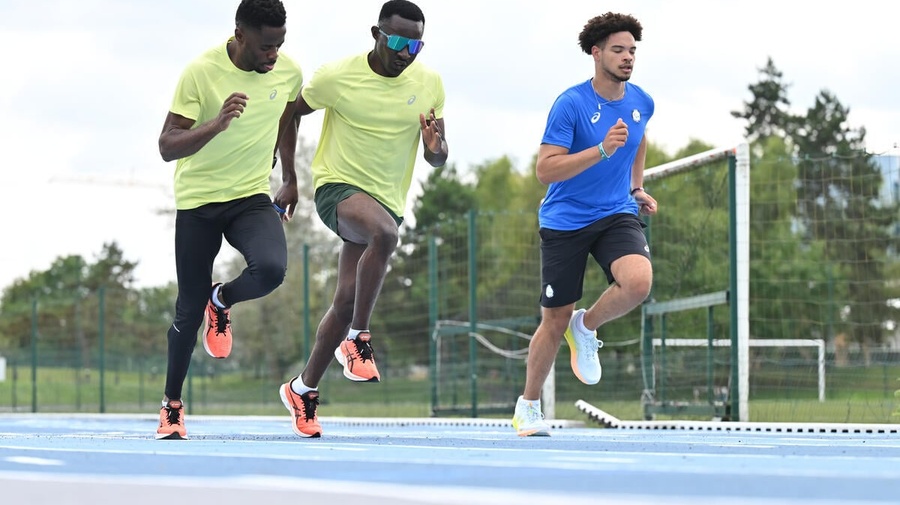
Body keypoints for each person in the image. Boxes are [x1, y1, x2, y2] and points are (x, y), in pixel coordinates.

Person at [278, 0, 447, 438]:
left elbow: (439, 157)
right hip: (338, 189)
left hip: (387, 200)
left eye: (415, 44)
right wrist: (291, 179)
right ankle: (358, 338)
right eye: (396, 41)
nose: (405, 52)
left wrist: (434, 147)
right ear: (376, 33)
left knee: (347, 297)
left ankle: (303, 387)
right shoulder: (337, 77)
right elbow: (289, 115)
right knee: (385, 235)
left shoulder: (428, 84)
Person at [155, 0, 303, 440]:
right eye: (264, 46)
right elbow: (167, 145)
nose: (272, 55)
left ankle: (221, 301)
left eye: (279, 45)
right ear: (240, 35)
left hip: (250, 197)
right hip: (199, 202)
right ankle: (172, 406)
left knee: (273, 270)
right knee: (186, 309)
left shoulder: (287, 71)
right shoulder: (201, 72)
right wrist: (216, 125)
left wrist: (291, 177)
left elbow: (289, 118)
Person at [512, 12, 657, 437]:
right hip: (565, 221)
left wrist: (635, 187)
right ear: (596, 53)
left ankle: (588, 325)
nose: (628, 57)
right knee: (553, 319)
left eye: (632, 50)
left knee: (638, 282)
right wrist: (601, 150)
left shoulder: (641, 100)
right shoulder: (571, 104)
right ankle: (528, 406)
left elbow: (639, 133)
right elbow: (546, 170)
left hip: (615, 213)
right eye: (618, 50)